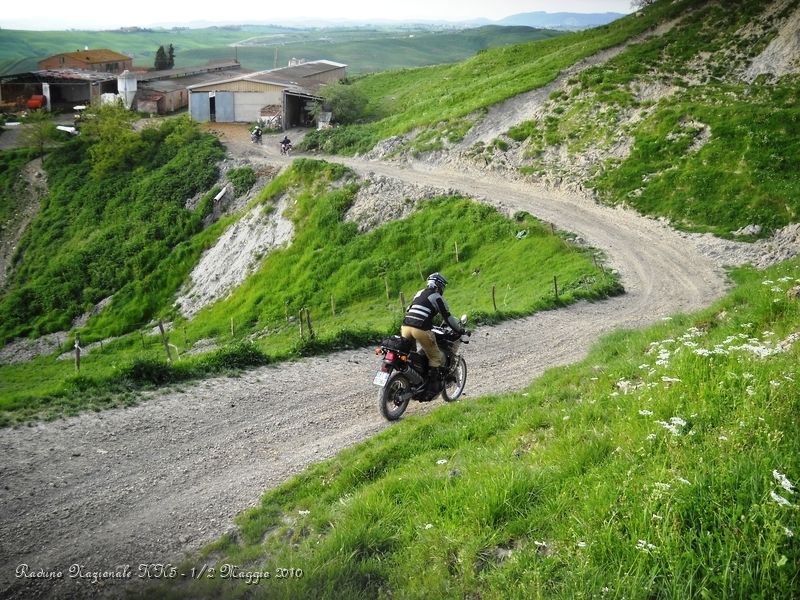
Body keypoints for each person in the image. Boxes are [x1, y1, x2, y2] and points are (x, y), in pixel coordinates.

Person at [401, 272, 466, 394]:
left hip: (405, 326)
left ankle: (409, 381)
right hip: (419, 329)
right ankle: (431, 387)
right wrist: (460, 330)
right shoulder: (437, 297)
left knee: (410, 356)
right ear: (439, 285)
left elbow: (410, 309)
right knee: (436, 357)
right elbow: (448, 318)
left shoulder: (419, 293)